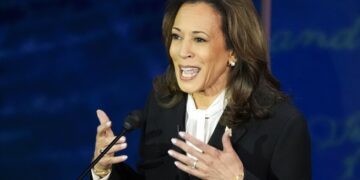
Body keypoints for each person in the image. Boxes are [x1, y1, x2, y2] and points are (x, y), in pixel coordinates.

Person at [91, 0, 311, 179]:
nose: (182, 51)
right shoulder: (162, 104)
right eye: (177, 36)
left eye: (199, 39)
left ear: (234, 51)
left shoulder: (282, 124)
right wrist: (104, 171)